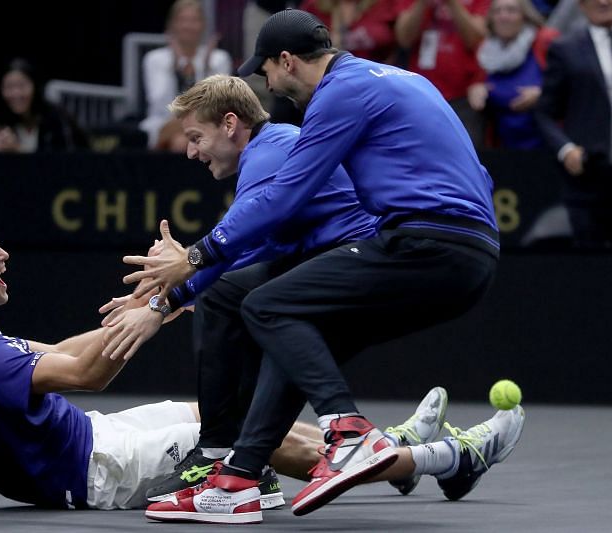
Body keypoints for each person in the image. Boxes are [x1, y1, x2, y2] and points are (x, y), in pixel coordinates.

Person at [119, 8, 525, 524]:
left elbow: (284, 199)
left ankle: (348, 433)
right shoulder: (401, 80)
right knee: (294, 326)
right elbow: (478, 175)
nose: (265, 83)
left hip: (426, 244)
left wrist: (194, 260)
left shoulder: (339, 94)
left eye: (264, 70)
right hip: (467, 252)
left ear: (287, 61)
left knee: (265, 304)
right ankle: (239, 477)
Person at [99, 74, 446, 504]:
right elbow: (244, 251)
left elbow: (233, 246)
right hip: (330, 262)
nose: (190, 151)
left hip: (354, 265)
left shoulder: (270, 154)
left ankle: (222, 453)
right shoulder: (273, 146)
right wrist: (169, 295)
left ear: (230, 124)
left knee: (229, 300)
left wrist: (168, 295)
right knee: (230, 301)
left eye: (195, 137)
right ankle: (251, 461)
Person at [0, 212, 356, 511]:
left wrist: (153, 302)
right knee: (236, 436)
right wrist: (154, 310)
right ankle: (405, 457)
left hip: (95, 434)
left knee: (216, 415)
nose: (4, 256)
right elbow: (88, 373)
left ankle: (365, 441)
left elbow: (63, 353)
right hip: (97, 472)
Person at [535, 0, 612, 247]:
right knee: (593, 270)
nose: (603, 1)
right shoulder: (566, 48)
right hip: (589, 181)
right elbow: (544, 113)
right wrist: (566, 150)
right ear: (581, 5)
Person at [395, 0, 491, 146]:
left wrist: (452, 3)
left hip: (463, 94)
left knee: (463, 150)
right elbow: (404, 39)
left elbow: (475, 39)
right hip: (421, 92)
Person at [139, 0, 232, 148]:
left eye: (194, 20)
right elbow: (160, 105)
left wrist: (206, 71)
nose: (188, 26)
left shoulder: (218, 58)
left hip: (206, 126)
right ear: (172, 25)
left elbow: (217, 107)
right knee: (182, 141)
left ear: (203, 25)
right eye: (182, 20)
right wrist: (175, 71)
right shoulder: (155, 59)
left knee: (182, 143)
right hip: (165, 125)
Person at [468, 0, 559, 149]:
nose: (504, 17)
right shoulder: (485, 50)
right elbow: (477, 85)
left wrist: (542, 94)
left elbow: (572, 85)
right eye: (497, 11)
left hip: (547, 143)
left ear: (525, 15)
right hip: (504, 146)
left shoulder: (546, 41)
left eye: (511, 10)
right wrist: (476, 90)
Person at [0, 58, 88, 153]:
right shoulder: (3, 124)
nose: (16, 93)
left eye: (22, 86)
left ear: (35, 86)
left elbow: (61, 166)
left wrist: (17, 150)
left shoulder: (55, 118)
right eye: (9, 87)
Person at [300, 0, 401, 63]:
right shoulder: (314, 6)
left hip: (379, 77)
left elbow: (401, 42)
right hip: (331, 79)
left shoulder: (384, 4)